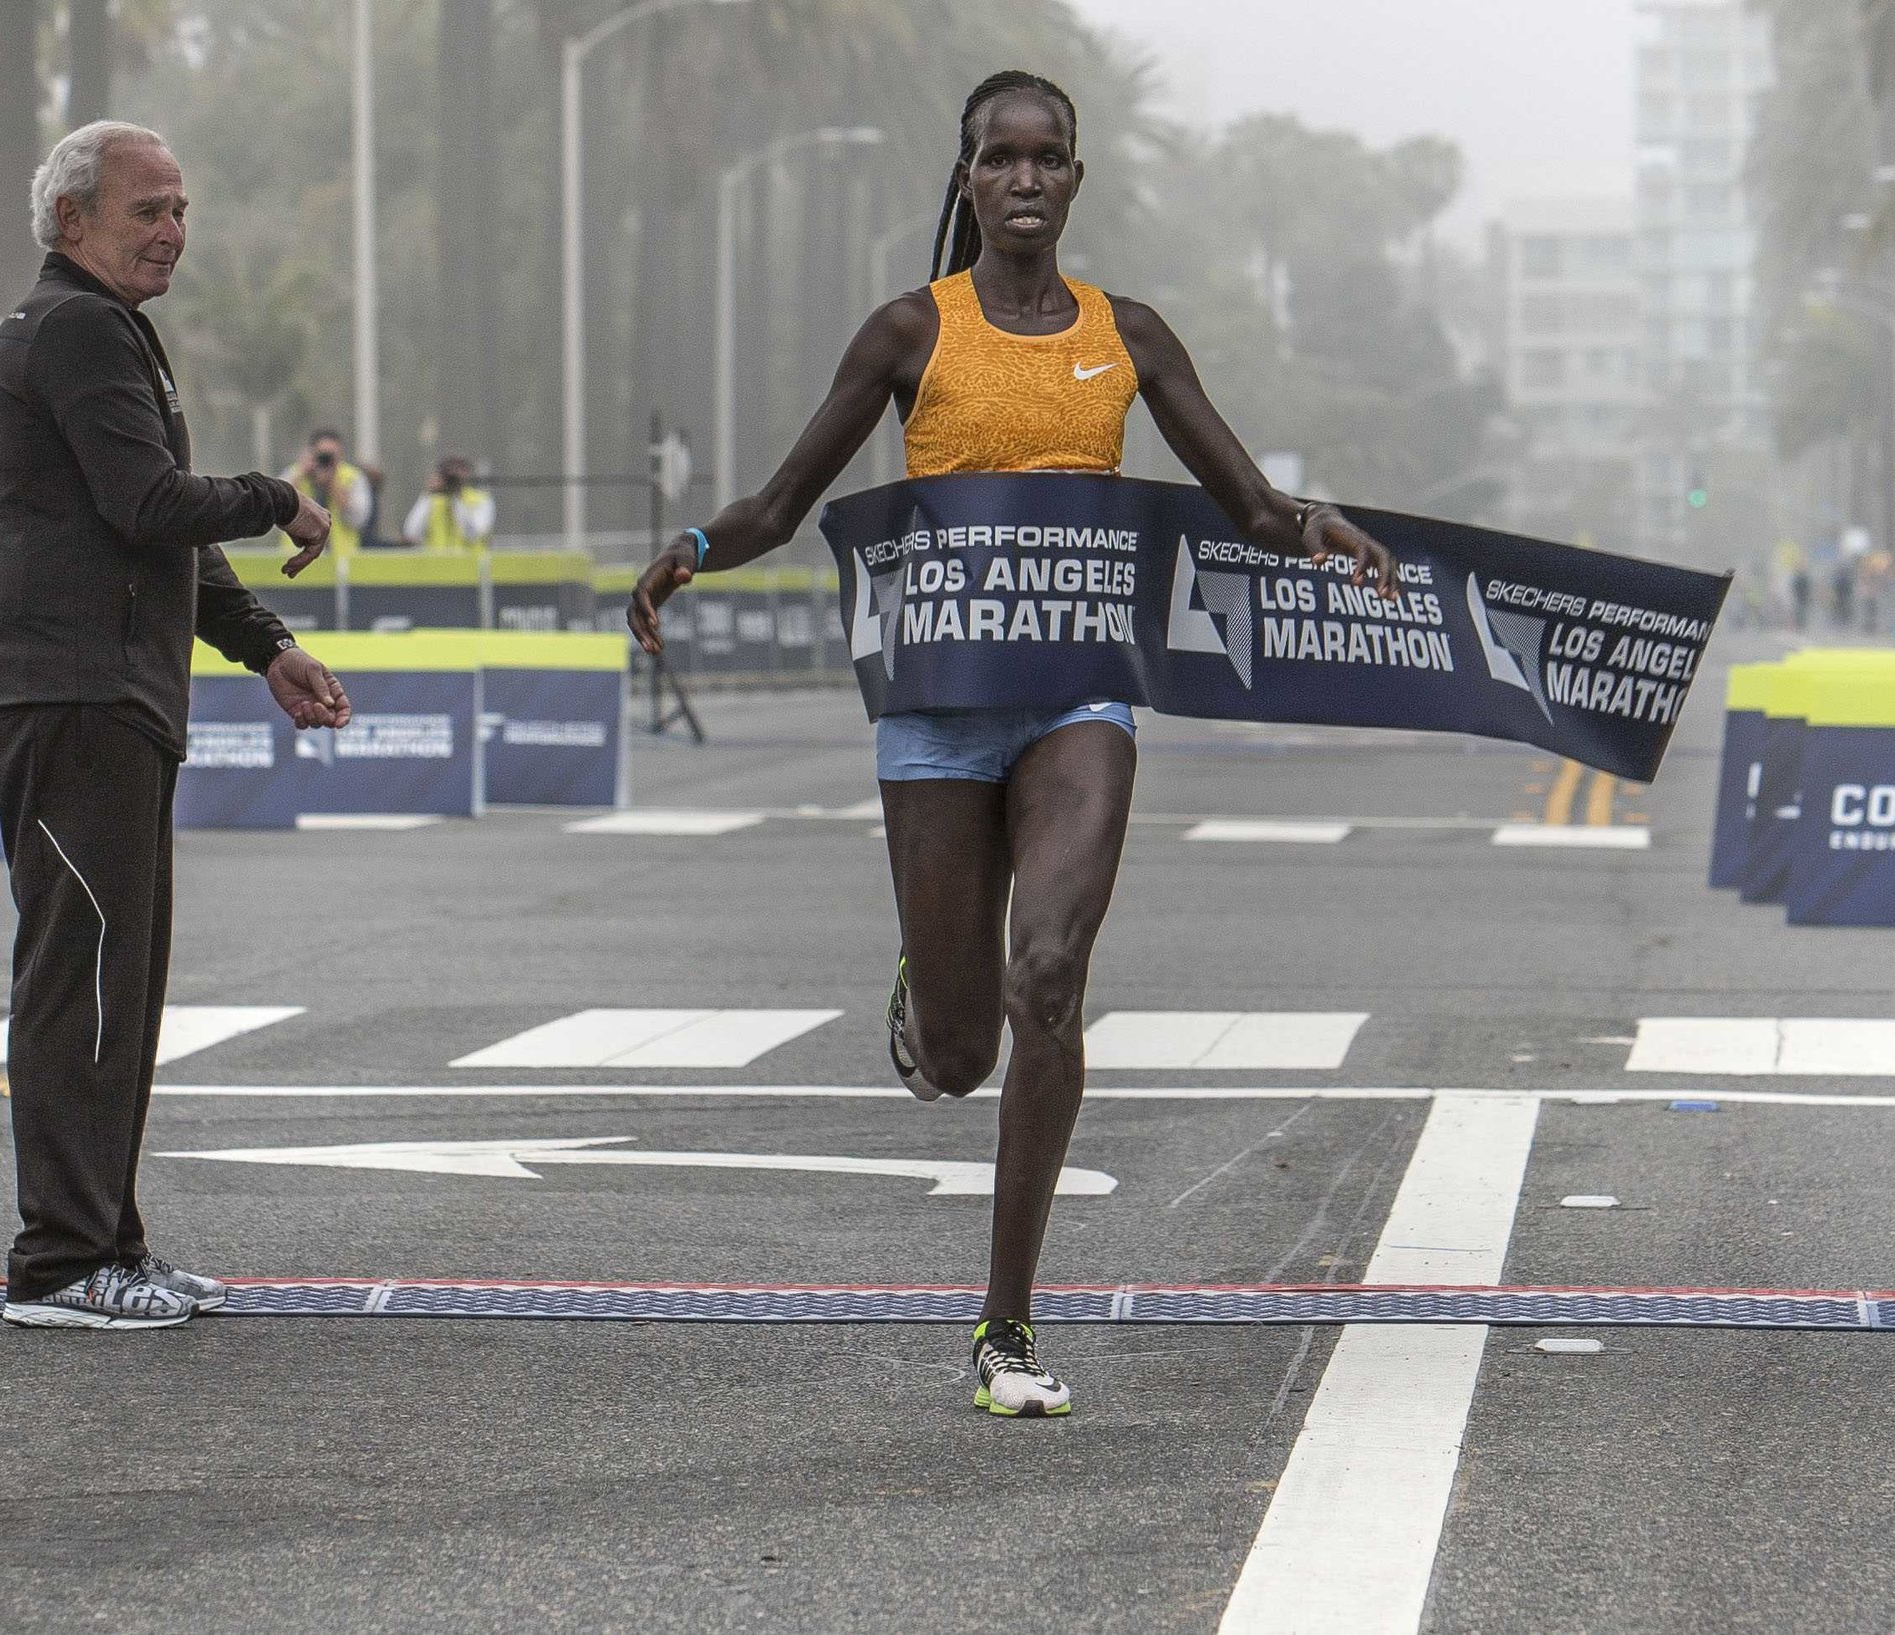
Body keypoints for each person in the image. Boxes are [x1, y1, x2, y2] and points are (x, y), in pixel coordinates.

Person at [628, 70, 1395, 1416]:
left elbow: (1246, 500)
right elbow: (783, 497)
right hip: (936, 705)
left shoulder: (1131, 334)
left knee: (1050, 973)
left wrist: (1311, 521)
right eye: (1002, 159)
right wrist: (692, 550)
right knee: (963, 1046)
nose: (1027, 179)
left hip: (1078, 696)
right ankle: (928, 991)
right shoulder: (907, 331)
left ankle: (1008, 1323)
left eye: (1050, 158)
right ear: (968, 179)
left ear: (1077, 180)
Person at [0, 120, 350, 1329]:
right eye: (147, 210)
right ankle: (58, 1265)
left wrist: (268, 647)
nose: (173, 231)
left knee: (117, 983)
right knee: (81, 976)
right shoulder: (75, 329)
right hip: (72, 697)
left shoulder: (103, 331)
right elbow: (152, 502)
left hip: (109, 699)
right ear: (71, 219)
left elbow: (144, 530)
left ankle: (107, 1246)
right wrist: (279, 495)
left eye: (181, 209)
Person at [283, 427, 374, 555]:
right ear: (311, 453)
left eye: (331, 456)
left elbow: (359, 519)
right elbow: (277, 508)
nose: (326, 461)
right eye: (322, 455)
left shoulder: (352, 477)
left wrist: (333, 483)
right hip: (296, 559)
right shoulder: (296, 473)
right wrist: (301, 473)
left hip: (341, 562)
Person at [400, 455, 495, 554]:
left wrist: (457, 498)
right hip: (438, 565)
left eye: (458, 472)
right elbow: (411, 532)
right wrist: (427, 494)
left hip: (469, 564)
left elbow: (473, 534)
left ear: (467, 473)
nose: (452, 479)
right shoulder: (431, 500)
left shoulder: (480, 499)